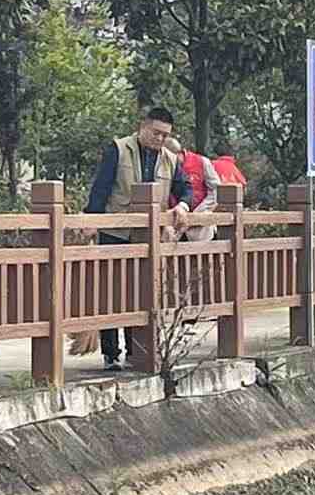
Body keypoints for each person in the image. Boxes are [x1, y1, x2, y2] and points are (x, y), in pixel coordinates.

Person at [83, 106, 197, 371]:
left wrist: (182, 205)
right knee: (111, 294)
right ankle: (111, 353)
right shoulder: (118, 149)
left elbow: (186, 188)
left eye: (165, 135)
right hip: (116, 231)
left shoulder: (170, 158)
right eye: (156, 132)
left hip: (149, 237)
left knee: (143, 292)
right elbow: (101, 188)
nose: (160, 138)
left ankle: (138, 350)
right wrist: (92, 219)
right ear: (142, 126)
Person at [167, 135, 221, 242]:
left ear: (180, 153)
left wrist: (201, 210)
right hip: (175, 225)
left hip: (201, 226)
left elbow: (216, 189)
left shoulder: (202, 162)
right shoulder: (165, 167)